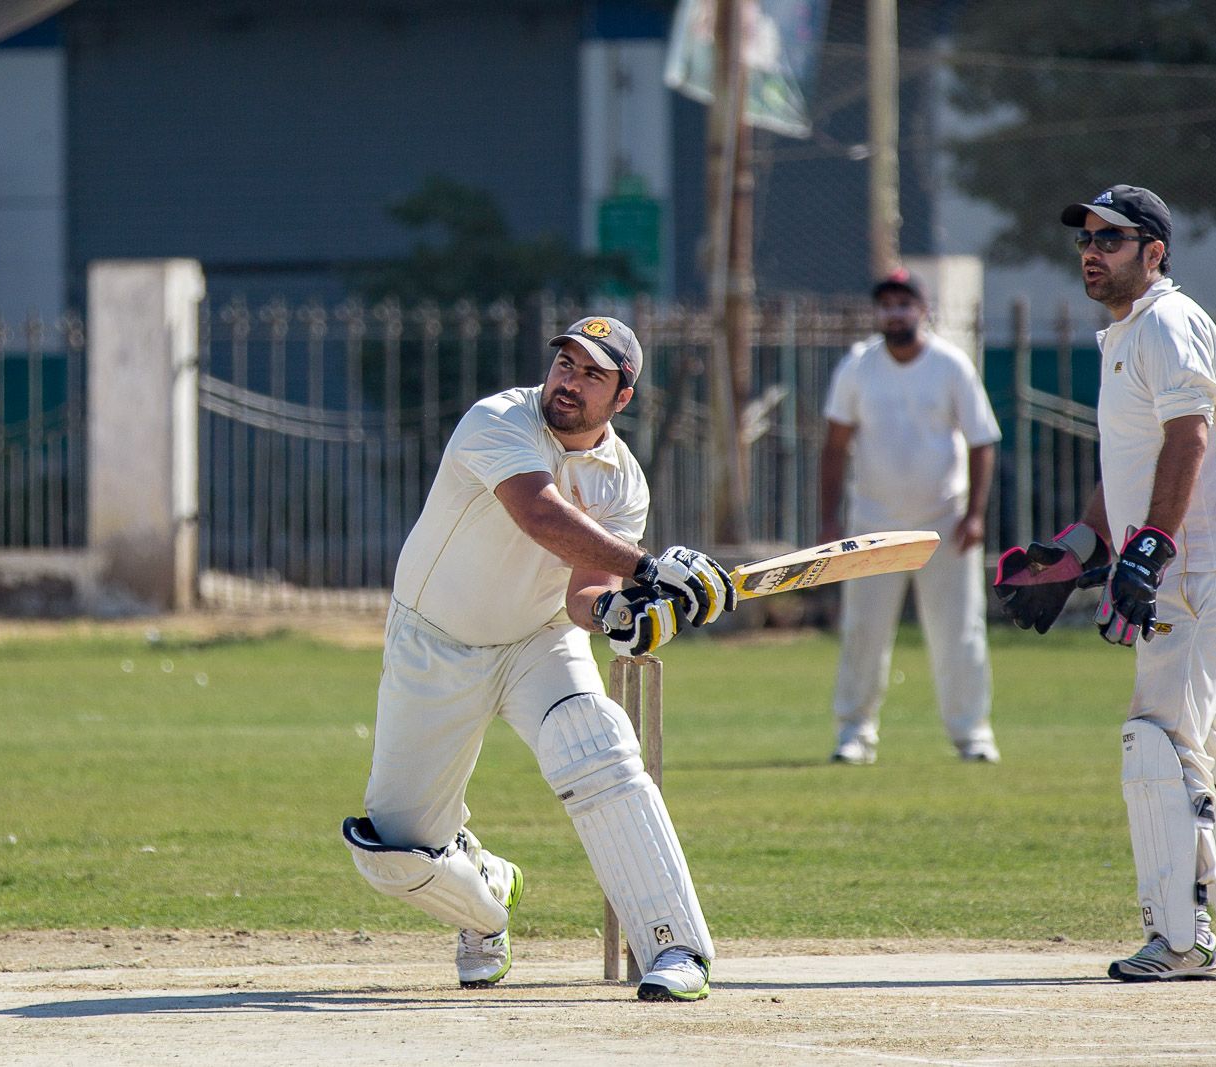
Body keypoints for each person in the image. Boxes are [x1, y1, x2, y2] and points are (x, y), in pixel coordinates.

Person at [341, 315, 735, 1002]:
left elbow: (585, 591)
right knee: (393, 853)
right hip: (435, 641)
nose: (569, 382)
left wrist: (620, 615)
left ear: (622, 397)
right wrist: (649, 569)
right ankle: (486, 901)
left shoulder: (624, 482)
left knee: (599, 744)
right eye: (565, 364)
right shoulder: (498, 419)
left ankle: (675, 944)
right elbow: (540, 515)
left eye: (592, 374)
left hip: (539, 640)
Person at [995, 185, 1216, 981]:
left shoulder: (1168, 321)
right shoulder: (1128, 331)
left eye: (1111, 239)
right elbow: (1130, 462)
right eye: (1086, 240)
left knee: (1157, 737)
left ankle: (1180, 936)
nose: (1091, 252)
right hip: (1188, 563)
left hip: (1201, 563)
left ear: (1154, 252)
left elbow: (1188, 440)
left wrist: (1153, 546)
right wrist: (1078, 547)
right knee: (1202, 741)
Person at [817, 269, 1002, 766]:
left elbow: (982, 440)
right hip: (873, 523)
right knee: (864, 631)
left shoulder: (950, 364)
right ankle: (854, 732)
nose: (895, 314)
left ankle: (972, 734)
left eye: (905, 304)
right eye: (887, 305)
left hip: (944, 521)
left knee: (959, 632)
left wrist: (975, 514)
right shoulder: (858, 366)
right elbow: (835, 446)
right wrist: (829, 520)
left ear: (923, 310)